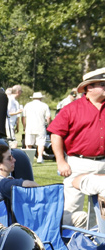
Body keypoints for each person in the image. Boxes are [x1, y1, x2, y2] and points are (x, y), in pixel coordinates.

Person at [48, 67, 105, 225]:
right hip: (77, 163)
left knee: (103, 210)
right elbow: (56, 134)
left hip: (103, 163)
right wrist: (61, 161)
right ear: (90, 87)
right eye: (103, 84)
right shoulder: (71, 109)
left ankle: (98, 239)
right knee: (71, 211)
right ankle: (71, 242)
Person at [0, 143, 37, 223]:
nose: (14, 160)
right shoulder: (1, 184)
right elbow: (27, 184)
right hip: (7, 231)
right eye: (9, 158)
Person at [22, 92, 51, 162]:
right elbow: (48, 117)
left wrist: (24, 126)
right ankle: (40, 157)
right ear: (40, 98)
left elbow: (23, 117)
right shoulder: (44, 105)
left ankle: (28, 158)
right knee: (41, 143)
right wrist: (49, 125)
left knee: (29, 143)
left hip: (29, 126)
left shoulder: (27, 105)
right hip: (40, 126)